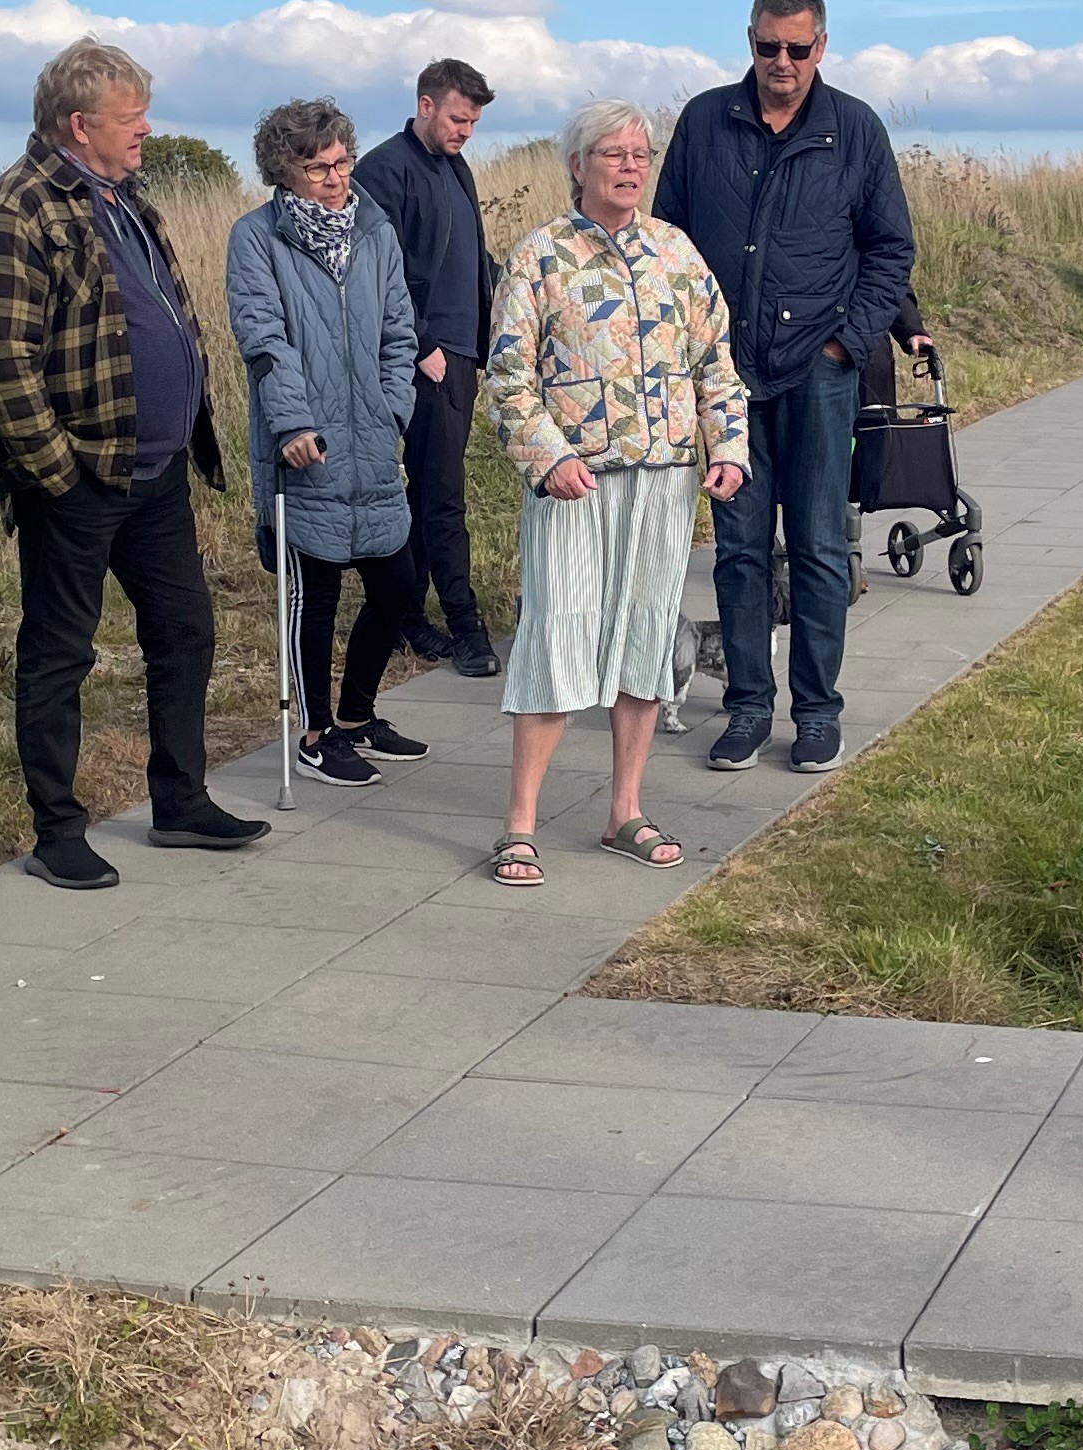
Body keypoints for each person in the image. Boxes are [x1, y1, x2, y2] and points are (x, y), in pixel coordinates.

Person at [0, 38, 262, 890]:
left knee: (185, 631)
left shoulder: (124, 196)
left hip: (156, 471)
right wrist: (58, 472)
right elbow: (2, 363)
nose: (146, 132)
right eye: (131, 120)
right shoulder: (14, 213)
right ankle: (57, 829)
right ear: (78, 123)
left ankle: (180, 801)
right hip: (82, 479)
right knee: (61, 653)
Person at [653, 0, 917, 776]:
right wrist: (687, 350)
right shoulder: (706, 121)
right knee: (738, 550)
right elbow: (668, 240)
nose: (783, 62)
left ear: (822, 47)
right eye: (769, 46)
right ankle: (744, 708)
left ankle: (816, 713)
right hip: (728, 378)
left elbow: (890, 249)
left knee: (818, 548)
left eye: (798, 48)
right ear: (750, 41)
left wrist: (849, 342)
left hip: (819, 375)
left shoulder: (855, 130)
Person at [483, 102, 749, 887]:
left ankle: (623, 812)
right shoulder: (541, 256)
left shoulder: (676, 253)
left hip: (664, 479)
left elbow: (716, 364)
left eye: (640, 154)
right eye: (613, 154)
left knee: (643, 641)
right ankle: (519, 826)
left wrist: (728, 445)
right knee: (556, 636)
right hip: (573, 483)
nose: (630, 167)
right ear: (577, 165)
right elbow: (507, 376)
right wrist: (547, 457)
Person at [228, 98, 426, 787]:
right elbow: (262, 337)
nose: (336, 177)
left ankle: (355, 718)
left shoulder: (375, 227)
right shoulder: (256, 237)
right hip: (303, 444)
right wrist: (291, 424)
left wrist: (394, 407)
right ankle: (313, 736)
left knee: (397, 584)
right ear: (284, 172)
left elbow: (400, 330)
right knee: (313, 595)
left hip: (372, 439)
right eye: (317, 168)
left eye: (341, 161)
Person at [355, 57, 502, 679]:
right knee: (443, 495)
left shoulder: (455, 165)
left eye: (472, 122)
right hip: (424, 358)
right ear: (425, 105)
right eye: (457, 118)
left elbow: (470, 255)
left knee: (429, 491)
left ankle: (406, 616)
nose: (465, 130)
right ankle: (467, 628)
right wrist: (419, 344)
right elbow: (371, 271)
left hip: (464, 354)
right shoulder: (384, 170)